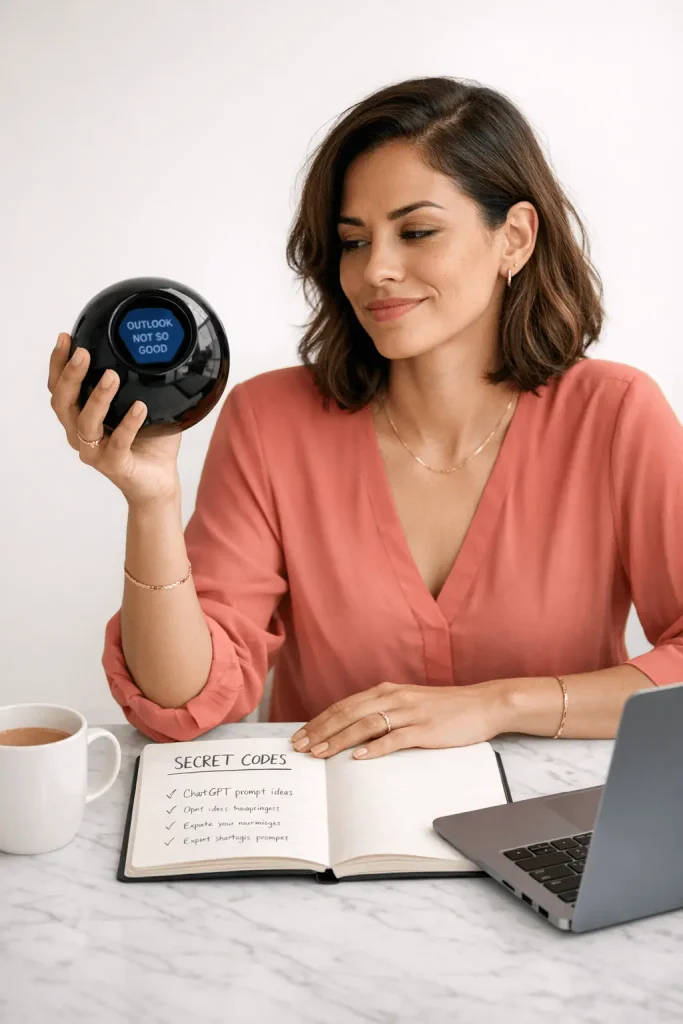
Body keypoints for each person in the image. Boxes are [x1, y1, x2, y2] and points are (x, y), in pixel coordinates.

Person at [49, 77, 683, 760]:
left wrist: (495, 705)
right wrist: (152, 503)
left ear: (515, 239)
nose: (375, 269)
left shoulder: (615, 416)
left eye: (416, 232)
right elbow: (180, 702)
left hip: (545, 833)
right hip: (324, 841)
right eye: (353, 242)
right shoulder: (270, 420)